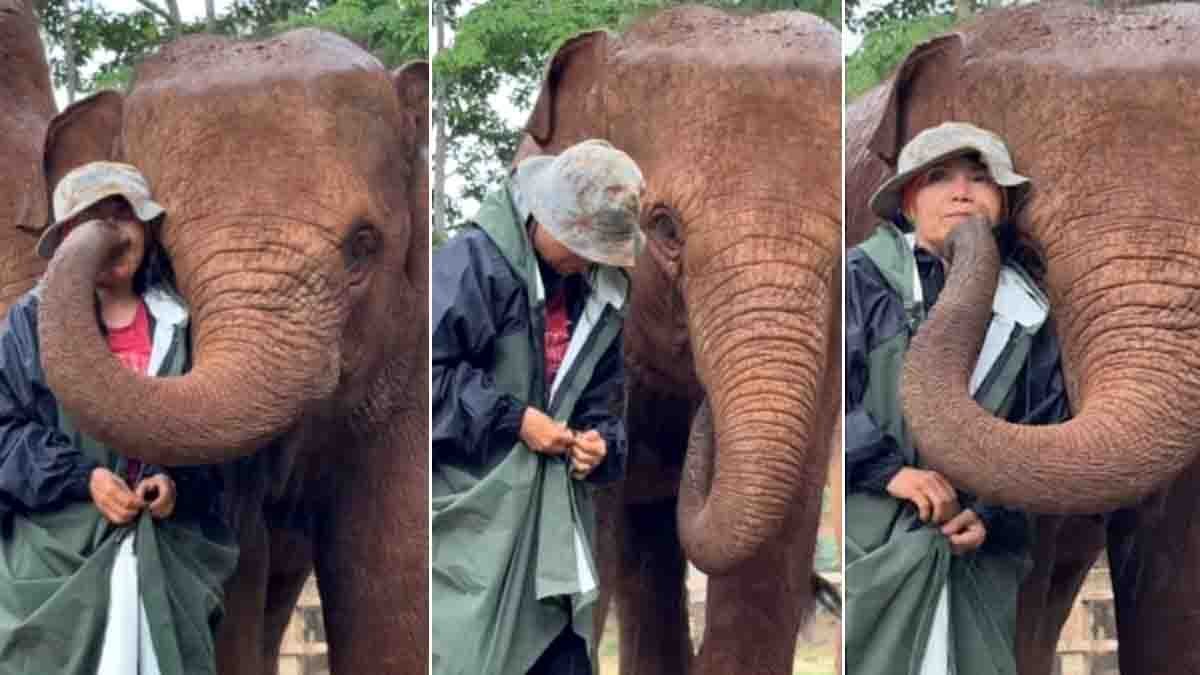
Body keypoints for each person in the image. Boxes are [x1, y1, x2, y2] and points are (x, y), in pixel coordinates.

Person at [844, 122, 1070, 674]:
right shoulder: (860, 278)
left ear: (1004, 204)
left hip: (980, 557)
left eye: (981, 178)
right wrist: (891, 472)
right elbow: (827, 402)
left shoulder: (1030, 311)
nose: (962, 191)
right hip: (873, 538)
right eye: (939, 177)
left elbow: (1045, 431)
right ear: (908, 201)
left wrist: (990, 515)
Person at [0, 162, 237, 675]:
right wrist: (83, 480)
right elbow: (5, 433)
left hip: (166, 559)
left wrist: (176, 484)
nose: (112, 231)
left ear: (148, 230)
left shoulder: (182, 323)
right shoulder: (29, 324)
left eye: (123, 215)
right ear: (67, 239)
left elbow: (218, 432)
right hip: (59, 561)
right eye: (93, 220)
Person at [430, 139, 644, 675]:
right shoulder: (474, 264)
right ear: (545, 220)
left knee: (565, 658)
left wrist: (600, 444)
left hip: (556, 534)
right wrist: (516, 420)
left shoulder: (598, 292)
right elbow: (425, 377)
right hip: (475, 523)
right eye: (581, 243)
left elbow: (605, 403)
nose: (588, 258)